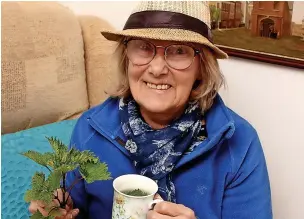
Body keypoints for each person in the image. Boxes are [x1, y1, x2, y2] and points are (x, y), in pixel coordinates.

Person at [30, 1, 273, 219]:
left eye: (179, 51)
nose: (157, 69)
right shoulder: (90, 128)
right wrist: (58, 209)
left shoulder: (238, 143)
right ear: (127, 58)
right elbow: (76, 210)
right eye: (144, 47)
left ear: (201, 66)